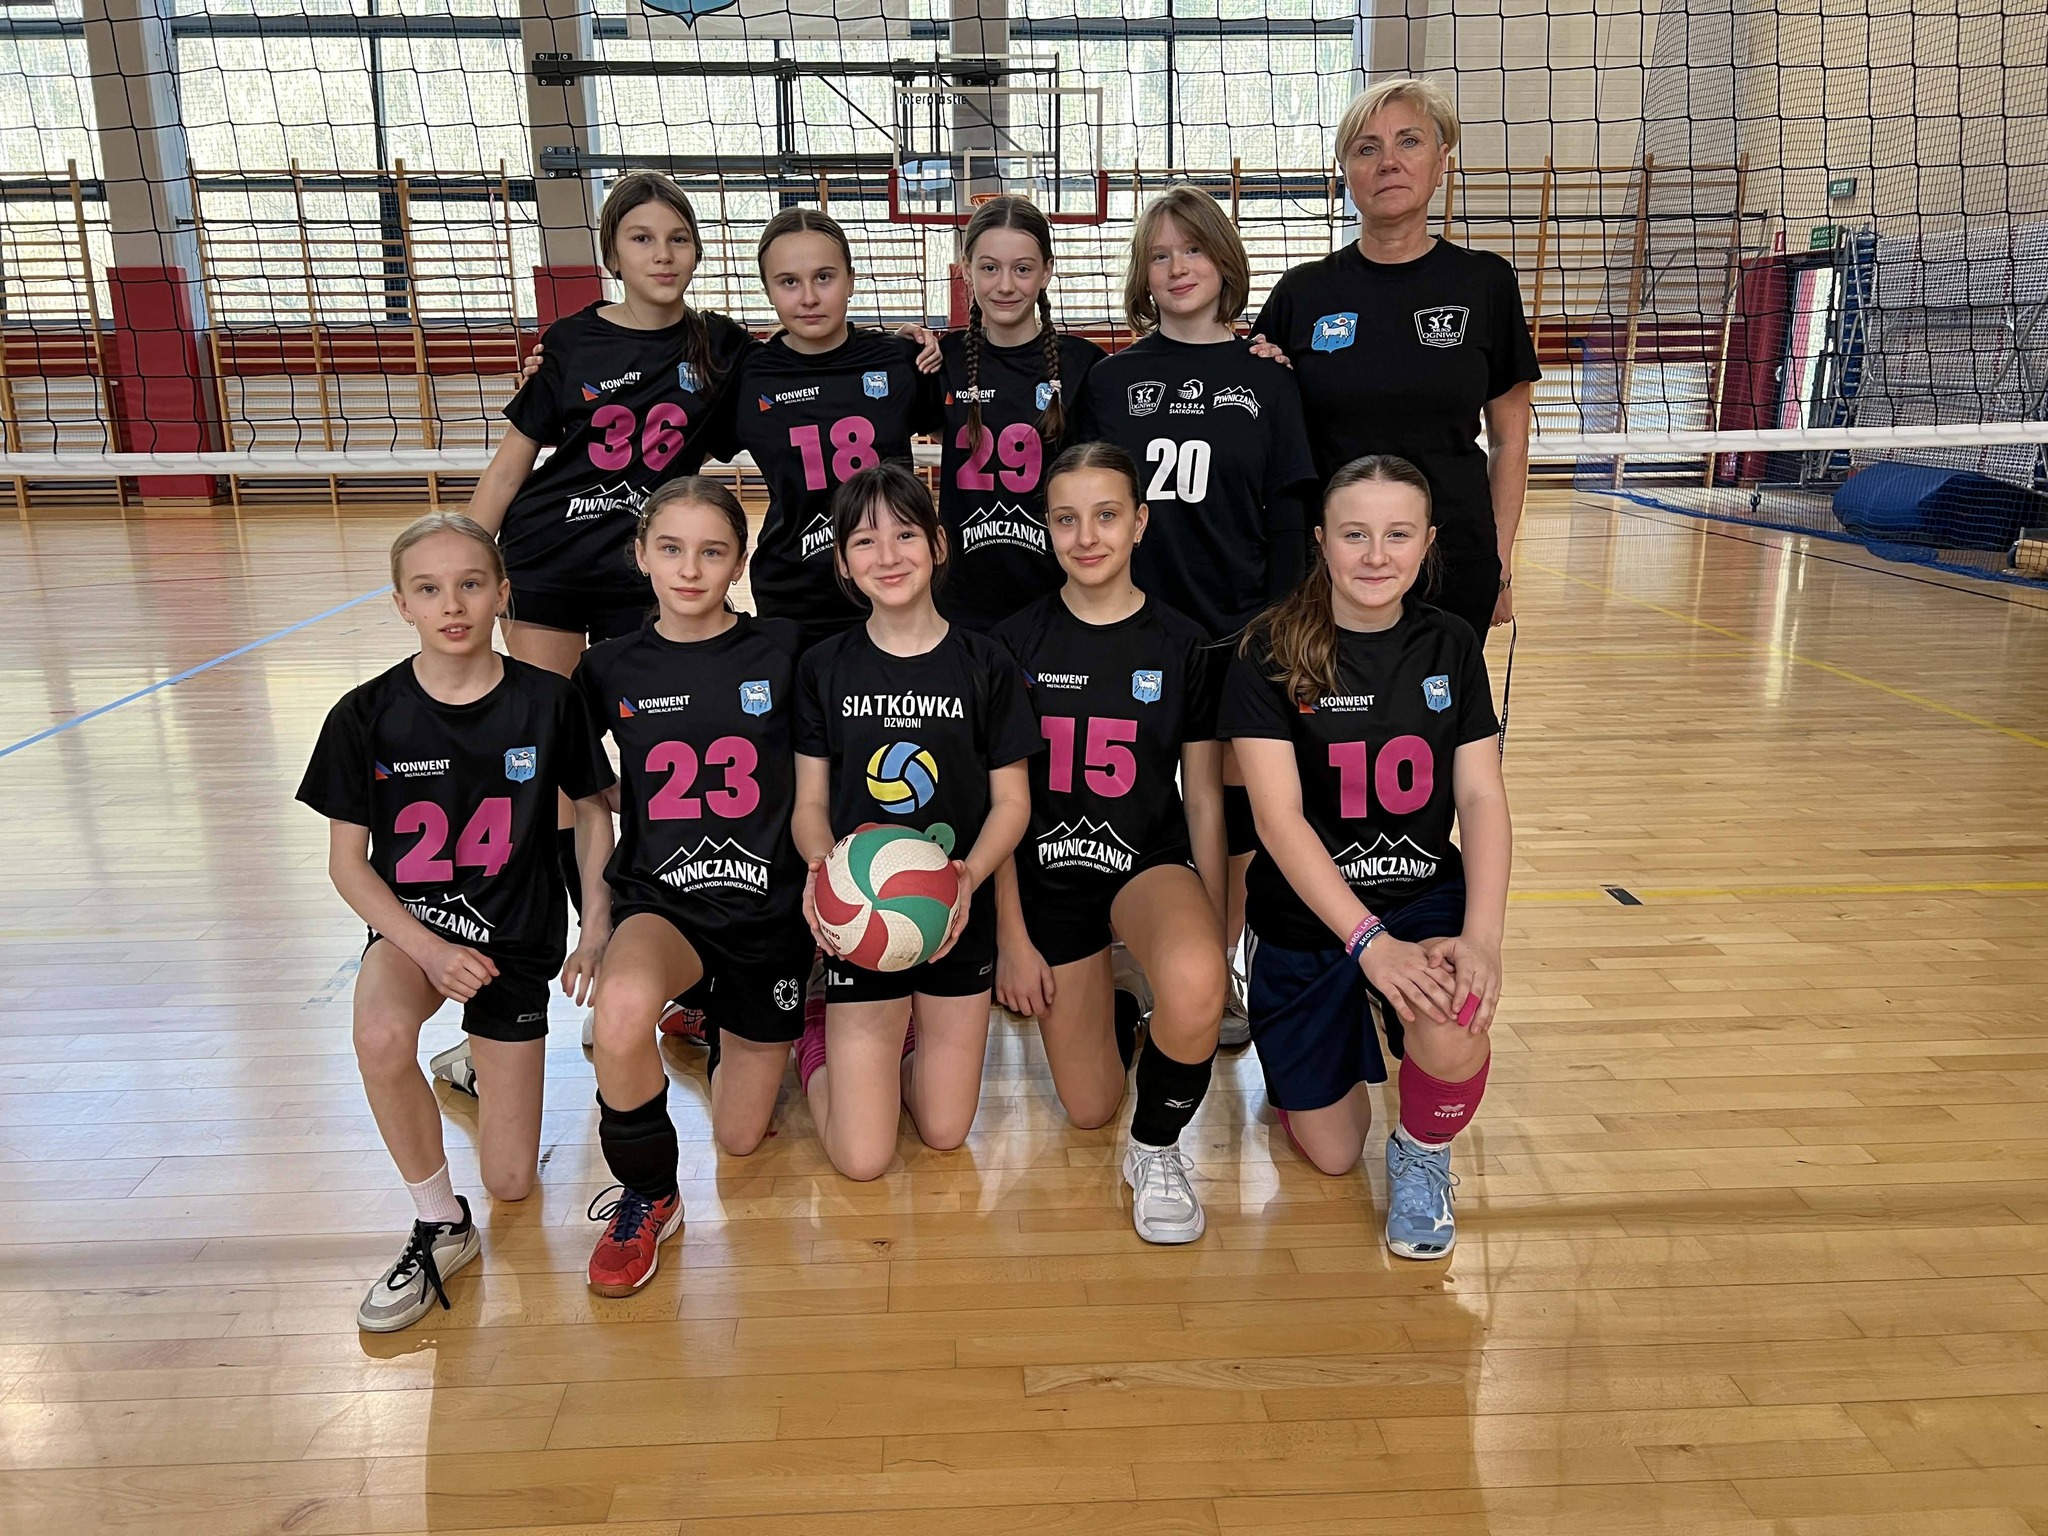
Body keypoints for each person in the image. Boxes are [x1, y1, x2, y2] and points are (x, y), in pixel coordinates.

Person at [296, 513, 615, 1331]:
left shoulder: (549, 701)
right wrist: (430, 950)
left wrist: (596, 927)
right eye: (429, 589)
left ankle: (474, 1061)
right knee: (378, 1036)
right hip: (415, 932)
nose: (452, 604)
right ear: (401, 604)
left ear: (503, 594)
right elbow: (348, 866)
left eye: (471, 584)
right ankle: (439, 1221)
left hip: (516, 943)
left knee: (512, 1181)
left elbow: (593, 813)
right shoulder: (363, 714)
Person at [1221, 455, 1511, 1260]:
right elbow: (1277, 820)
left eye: (1398, 534)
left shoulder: (1450, 644)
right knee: (1333, 1151)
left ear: (1428, 542)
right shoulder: (1271, 649)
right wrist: (1368, 945)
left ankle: (1422, 1153)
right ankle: (1328, 1031)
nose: (1376, 556)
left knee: (1456, 1010)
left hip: (1421, 899)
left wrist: (1483, 939)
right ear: (1321, 541)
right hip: (1307, 917)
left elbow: (1481, 798)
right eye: (1355, 535)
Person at [465, 171, 749, 929]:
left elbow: (805, 366)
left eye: (678, 239)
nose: (663, 255)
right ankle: (594, 925)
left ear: (697, 252)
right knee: (557, 751)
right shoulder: (571, 341)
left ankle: (660, 915)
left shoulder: (721, 347)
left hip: (649, 576)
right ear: (612, 255)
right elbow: (511, 466)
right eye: (642, 239)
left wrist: (908, 348)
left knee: (659, 743)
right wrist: (466, 565)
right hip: (548, 562)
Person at [1074, 184, 1320, 1049]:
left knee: (1235, 805)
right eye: (1159, 254)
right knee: (1124, 794)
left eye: (1192, 249)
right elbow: (1084, 506)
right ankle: (1121, 959)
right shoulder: (1112, 380)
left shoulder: (1268, 377)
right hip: (1133, 631)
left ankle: (1218, 965)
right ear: (1142, 274)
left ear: (1224, 259)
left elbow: (1288, 517)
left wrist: (1282, 630)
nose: (1177, 268)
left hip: (1238, 631)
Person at [568, 477, 811, 1295]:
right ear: (641, 555)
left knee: (740, 1137)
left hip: (770, 913)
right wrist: (594, 927)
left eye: (712, 552)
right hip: (662, 902)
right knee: (619, 1012)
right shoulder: (606, 667)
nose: (690, 569)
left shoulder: (786, 651)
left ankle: (729, 1017)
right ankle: (649, 1194)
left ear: (740, 563)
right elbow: (588, 802)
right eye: (670, 548)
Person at [992, 443, 1227, 1244]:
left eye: (1106, 516)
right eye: (1066, 519)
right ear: (1046, 527)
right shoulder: (1012, 644)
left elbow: (1202, 794)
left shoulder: (1184, 643)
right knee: (1090, 1105)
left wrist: (1215, 926)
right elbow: (999, 805)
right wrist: (1011, 938)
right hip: (1045, 878)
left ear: (1140, 523)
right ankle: (1120, 1006)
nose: (1086, 537)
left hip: (1143, 861)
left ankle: (1156, 1149)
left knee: (1194, 982)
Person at [792, 462, 1038, 1181]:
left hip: (955, 914)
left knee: (943, 1132)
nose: (888, 556)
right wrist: (822, 874)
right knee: (863, 1160)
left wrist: (966, 878)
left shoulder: (986, 663)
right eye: (864, 542)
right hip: (861, 920)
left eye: (905, 534)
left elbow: (1013, 803)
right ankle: (818, 1043)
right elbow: (810, 805)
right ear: (843, 563)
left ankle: (891, 1053)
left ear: (938, 544)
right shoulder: (823, 667)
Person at [1250, 76, 1540, 645]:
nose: (1388, 162)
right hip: (1332, 565)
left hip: (1453, 558)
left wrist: (1499, 562)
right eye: (1367, 148)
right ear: (1346, 173)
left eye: (1409, 141)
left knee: (1441, 701)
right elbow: (1259, 420)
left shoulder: (1485, 282)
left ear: (1442, 162)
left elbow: (1510, 442)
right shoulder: (1302, 293)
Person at [702, 208, 944, 650]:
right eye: (789, 282)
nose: (809, 297)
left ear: (851, 280)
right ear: (768, 289)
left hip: (892, 584)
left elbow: (966, 440)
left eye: (824, 277)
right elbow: (682, 457)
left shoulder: (899, 361)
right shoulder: (747, 376)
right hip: (795, 594)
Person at [934, 195, 1106, 632]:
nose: (1006, 285)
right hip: (961, 604)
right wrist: (898, 344)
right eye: (990, 268)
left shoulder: (1084, 365)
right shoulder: (942, 360)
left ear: (1047, 271)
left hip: (1059, 601)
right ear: (966, 269)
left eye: (1023, 269)